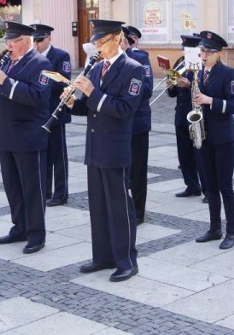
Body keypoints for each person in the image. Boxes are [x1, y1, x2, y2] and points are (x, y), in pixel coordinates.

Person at [64, 19, 143, 282]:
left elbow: (124, 110)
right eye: (95, 42)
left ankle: (127, 260)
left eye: (102, 42)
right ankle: (103, 257)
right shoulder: (97, 68)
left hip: (115, 148)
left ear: (118, 38)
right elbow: (88, 107)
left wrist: (92, 93)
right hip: (95, 147)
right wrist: (71, 100)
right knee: (98, 206)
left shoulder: (133, 68)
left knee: (120, 207)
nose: (97, 47)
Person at [0, 22, 51, 254]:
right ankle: (19, 226)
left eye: (14, 41)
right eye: (7, 41)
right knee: (13, 186)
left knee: (32, 188)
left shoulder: (41, 63)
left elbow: (37, 97)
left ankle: (36, 234)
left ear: (27, 41)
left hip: (28, 135)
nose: (9, 46)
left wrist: (4, 81)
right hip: (5, 134)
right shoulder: (8, 62)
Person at [192, 31, 234, 249]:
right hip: (204, 137)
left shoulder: (228, 73)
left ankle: (231, 232)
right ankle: (214, 228)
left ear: (217, 54)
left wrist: (210, 100)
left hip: (224, 139)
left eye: (207, 52)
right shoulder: (200, 73)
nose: (203, 56)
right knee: (209, 186)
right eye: (202, 51)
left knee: (225, 186)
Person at [30, 23, 72, 207]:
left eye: (40, 40)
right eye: (34, 40)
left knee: (58, 157)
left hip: (56, 113)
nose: (36, 44)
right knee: (43, 154)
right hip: (38, 114)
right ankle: (45, 191)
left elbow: (64, 81)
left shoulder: (61, 56)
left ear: (49, 38)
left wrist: (40, 84)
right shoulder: (32, 57)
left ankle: (61, 193)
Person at [168, 35, 207, 200]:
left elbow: (207, 90)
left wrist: (189, 85)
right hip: (181, 114)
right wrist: (170, 85)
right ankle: (192, 185)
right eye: (183, 49)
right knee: (184, 154)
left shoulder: (203, 65)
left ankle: (208, 190)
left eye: (187, 50)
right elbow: (172, 93)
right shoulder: (180, 63)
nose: (184, 52)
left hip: (197, 114)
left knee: (200, 155)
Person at [123, 25, 153, 225]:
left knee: (138, 170)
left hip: (137, 122)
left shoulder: (140, 59)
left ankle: (139, 212)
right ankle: (122, 207)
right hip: (117, 123)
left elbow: (148, 88)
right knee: (120, 169)